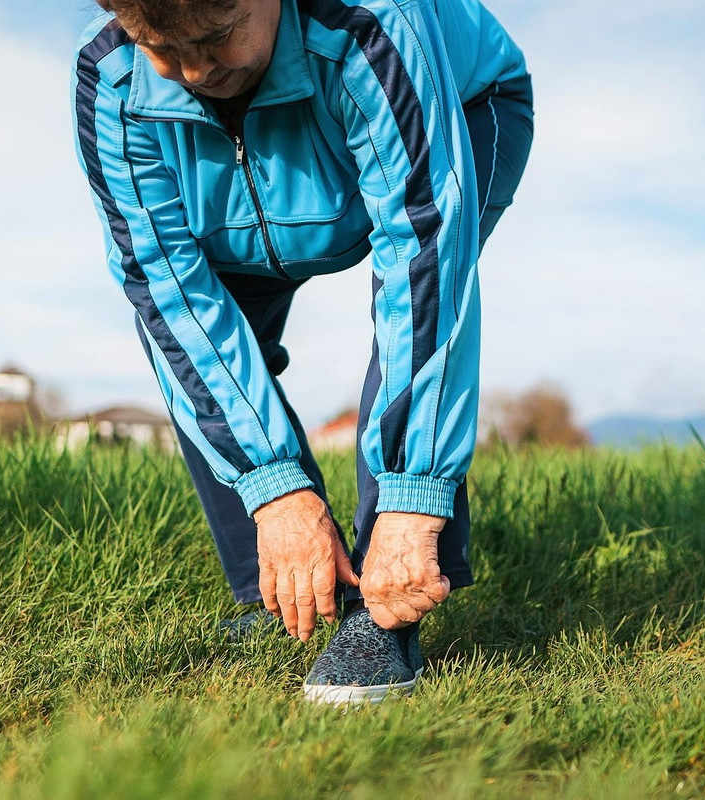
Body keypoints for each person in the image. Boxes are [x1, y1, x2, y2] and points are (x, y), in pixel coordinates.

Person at [72, 0, 532, 703]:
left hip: (459, 105)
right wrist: (277, 492)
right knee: (190, 346)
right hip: (233, 200)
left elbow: (423, 262)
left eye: (216, 35)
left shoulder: (369, 23)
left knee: (414, 309)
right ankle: (276, 592)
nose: (194, 71)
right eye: (162, 47)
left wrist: (413, 498)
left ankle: (385, 604)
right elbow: (169, 291)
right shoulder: (109, 73)